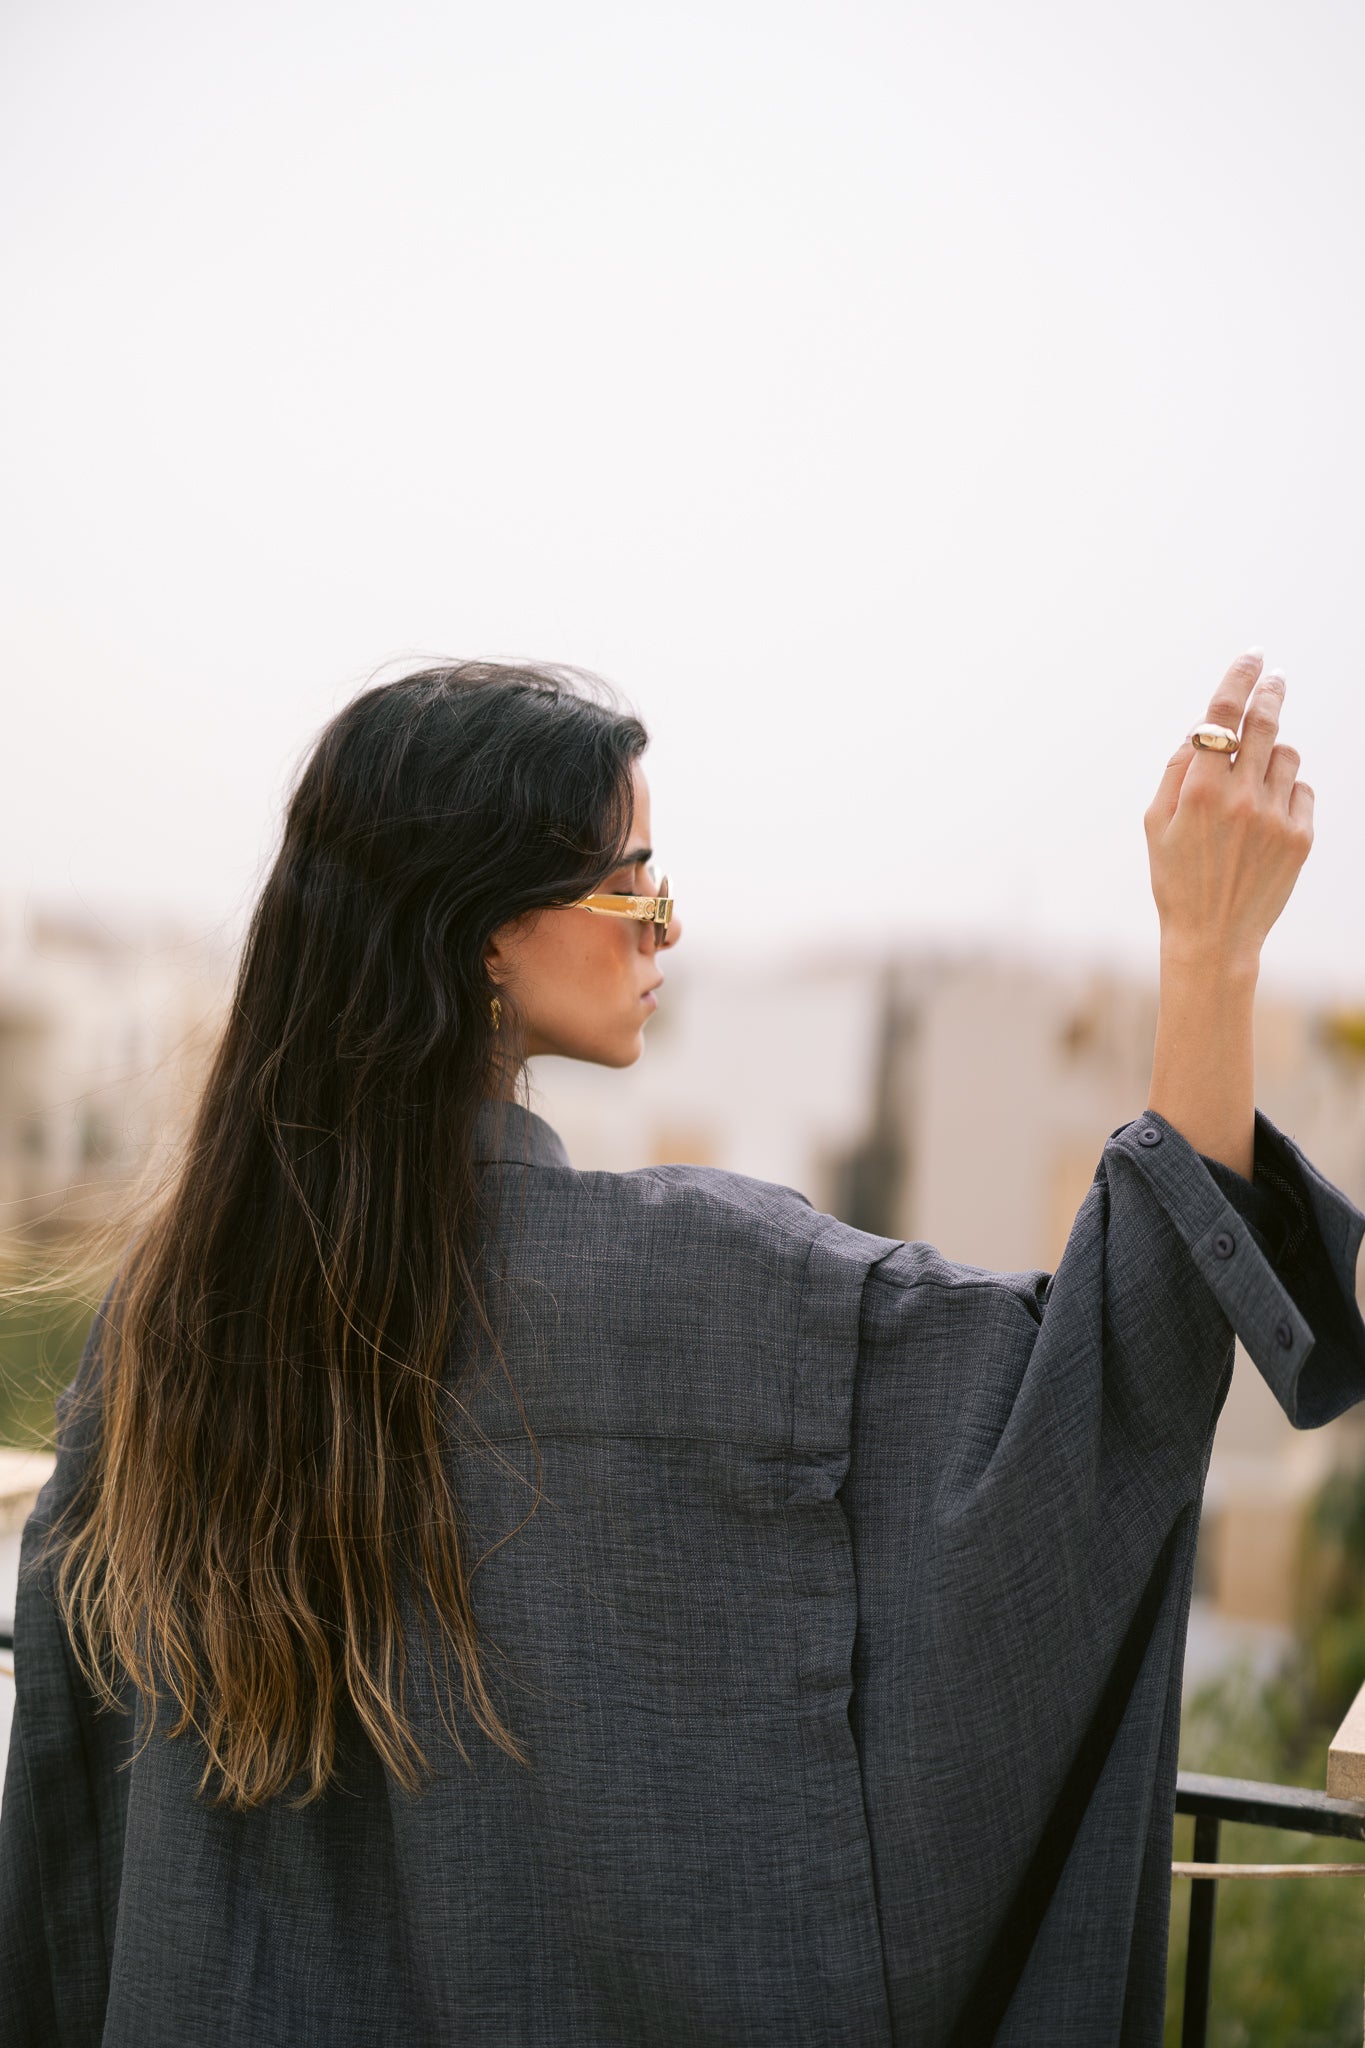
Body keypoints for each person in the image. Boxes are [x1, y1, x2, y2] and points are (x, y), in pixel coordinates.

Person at [1, 651, 1362, 2048]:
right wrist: (1210, 949)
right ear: (478, 930)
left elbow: (67, 1840)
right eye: (632, 879)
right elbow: (1105, 1383)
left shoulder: (163, 1334)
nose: (666, 927)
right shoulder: (707, 1295)